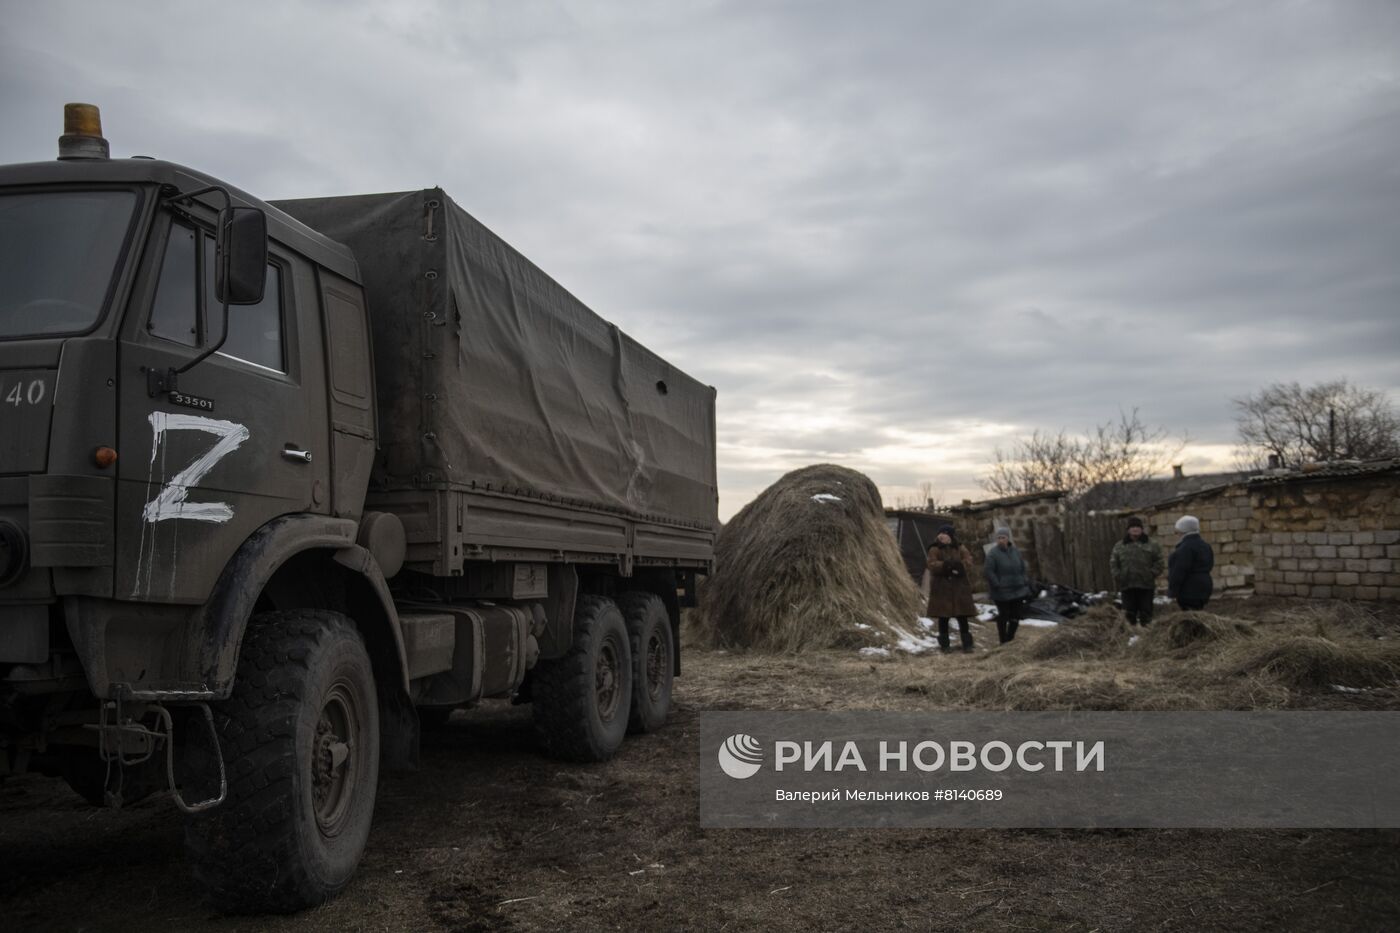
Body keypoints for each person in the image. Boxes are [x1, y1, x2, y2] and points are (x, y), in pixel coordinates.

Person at [926, 525, 977, 652]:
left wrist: (959, 567)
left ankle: (967, 645)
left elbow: (969, 560)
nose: (942, 535)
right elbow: (931, 564)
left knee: (962, 617)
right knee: (943, 618)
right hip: (942, 588)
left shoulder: (959, 547)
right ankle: (945, 645)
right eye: (941, 533)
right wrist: (947, 566)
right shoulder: (934, 549)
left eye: (945, 533)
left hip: (959, 587)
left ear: (950, 535)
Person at [1110, 516, 1164, 626]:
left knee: (1146, 614)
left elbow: (1160, 561)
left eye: (1138, 527)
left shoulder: (1152, 544)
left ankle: (1146, 637)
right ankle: (1130, 638)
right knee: (1129, 615)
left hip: (1146, 585)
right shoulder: (1120, 545)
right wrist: (1119, 576)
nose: (1135, 529)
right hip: (1127, 585)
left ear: (1142, 529)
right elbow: (1113, 563)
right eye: (1133, 527)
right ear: (1128, 529)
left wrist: (1151, 574)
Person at [983, 526, 1031, 643]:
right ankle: (1003, 640)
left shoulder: (1015, 551)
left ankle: (1011, 638)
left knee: (1015, 616)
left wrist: (1023, 579)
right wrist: (997, 583)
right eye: (998, 538)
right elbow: (988, 571)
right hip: (1001, 591)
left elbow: (1022, 567)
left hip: (1017, 589)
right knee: (1003, 615)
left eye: (1003, 537)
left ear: (1008, 538)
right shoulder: (993, 554)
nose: (1001, 540)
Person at [1167, 515, 1214, 611]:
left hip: (1189, 589)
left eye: (1177, 532)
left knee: (1190, 617)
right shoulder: (1205, 546)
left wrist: (1172, 591)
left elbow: (1178, 571)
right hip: (1205, 586)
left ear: (1183, 531)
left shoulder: (1185, 548)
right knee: (1198, 612)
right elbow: (1210, 564)